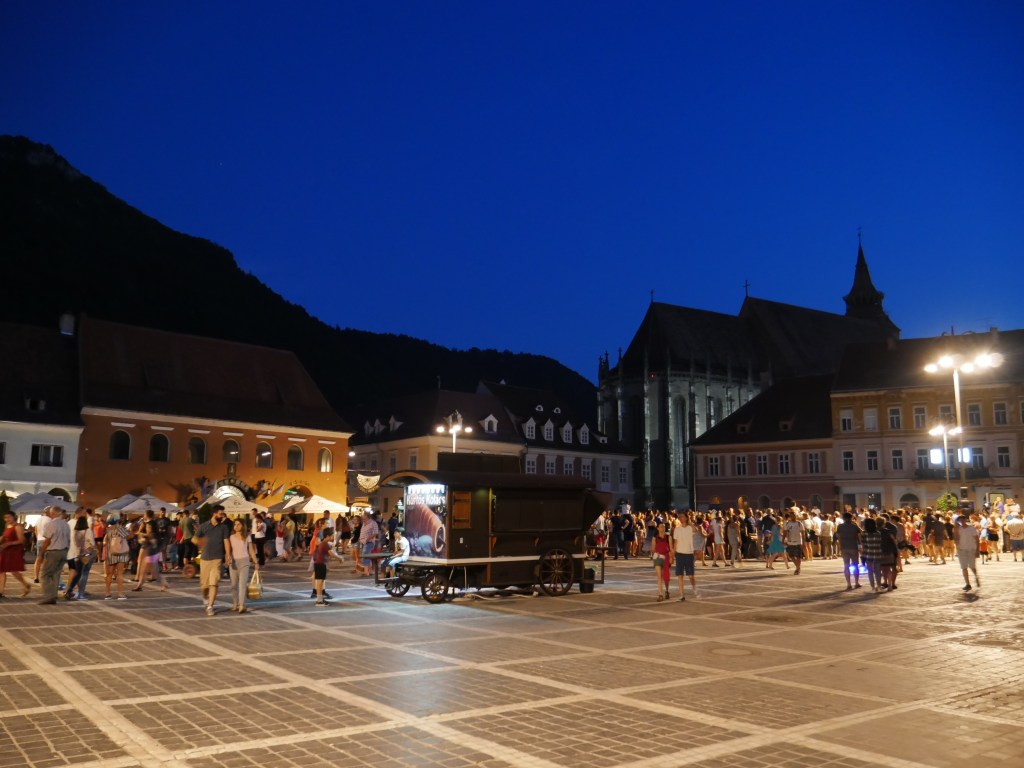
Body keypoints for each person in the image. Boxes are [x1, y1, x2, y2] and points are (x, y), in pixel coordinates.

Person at [196, 506, 231, 615]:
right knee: (204, 585)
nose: (222, 516)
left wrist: (228, 555)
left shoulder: (224, 527)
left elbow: (226, 541)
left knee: (214, 583)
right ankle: (205, 597)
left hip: (217, 558)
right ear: (214, 513)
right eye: (221, 514)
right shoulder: (204, 526)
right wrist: (200, 543)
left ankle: (210, 606)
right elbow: (194, 538)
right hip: (205, 559)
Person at [36, 506, 70, 605]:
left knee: (45, 574)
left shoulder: (51, 524)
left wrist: (41, 553)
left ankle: (48, 596)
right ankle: (53, 595)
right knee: (56, 574)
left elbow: (47, 540)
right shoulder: (65, 524)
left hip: (54, 551)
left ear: (53, 513)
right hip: (64, 551)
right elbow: (68, 539)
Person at [227, 518, 258, 613]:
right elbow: (228, 551)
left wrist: (255, 562)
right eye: (235, 524)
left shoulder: (247, 537)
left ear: (243, 526)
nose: (236, 526)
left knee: (242, 584)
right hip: (234, 563)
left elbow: (251, 550)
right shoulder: (231, 537)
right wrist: (228, 558)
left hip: (244, 562)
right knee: (233, 585)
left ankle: (241, 605)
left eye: (238, 524)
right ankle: (235, 603)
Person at [64, 513, 97, 600]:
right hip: (85, 555)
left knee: (77, 574)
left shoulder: (75, 531)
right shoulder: (88, 531)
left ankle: (69, 590)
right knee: (83, 574)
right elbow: (92, 543)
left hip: (76, 554)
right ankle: (79, 593)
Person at [0, 510, 31, 598]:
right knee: (1, 570)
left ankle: (25, 584)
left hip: (14, 551)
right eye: (5, 517)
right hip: (6, 550)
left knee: (14, 571)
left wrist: (9, 544)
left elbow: (22, 540)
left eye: (9, 517)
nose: (7, 519)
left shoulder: (18, 527)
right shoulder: (8, 525)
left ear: (14, 517)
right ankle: (1, 591)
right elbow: (4, 536)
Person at [312, 527, 344, 606]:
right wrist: (339, 558)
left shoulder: (323, 543)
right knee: (320, 582)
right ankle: (319, 601)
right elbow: (331, 554)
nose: (333, 537)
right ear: (327, 536)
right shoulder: (324, 544)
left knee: (321, 582)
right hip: (320, 564)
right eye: (332, 535)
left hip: (320, 564)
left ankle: (320, 599)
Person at [103, 514, 132, 600]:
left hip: (111, 553)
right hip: (120, 553)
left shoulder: (108, 530)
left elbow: (105, 541)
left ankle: (107, 593)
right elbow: (128, 536)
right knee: (119, 574)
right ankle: (120, 593)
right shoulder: (120, 528)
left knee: (109, 574)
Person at [672, 511, 699, 601]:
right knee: (680, 575)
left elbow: (696, 530)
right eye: (679, 517)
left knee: (691, 576)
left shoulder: (690, 528)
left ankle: (694, 588)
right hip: (679, 554)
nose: (681, 518)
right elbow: (675, 542)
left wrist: (690, 523)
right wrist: (673, 553)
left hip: (689, 553)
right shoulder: (677, 529)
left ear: (686, 518)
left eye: (682, 517)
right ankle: (681, 595)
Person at [955, 515, 981, 591]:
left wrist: (977, 551)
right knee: (964, 567)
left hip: (971, 549)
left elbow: (977, 539)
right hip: (962, 550)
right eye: (960, 520)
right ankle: (967, 584)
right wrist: (955, 527)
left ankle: (976, 576)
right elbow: (956, 538)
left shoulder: (972, 528)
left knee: (972, 566)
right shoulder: (958, 529)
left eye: (963, 520)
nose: (962, 521)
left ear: (965, 520)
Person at [651, 523, 673, 600]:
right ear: (657, 528)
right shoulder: (655, 538)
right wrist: (655, 554)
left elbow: (671, 548)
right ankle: (660, 594)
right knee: (659, 576)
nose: (662, 528)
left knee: (665, 576)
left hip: (666, 557)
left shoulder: (668, 537)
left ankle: (667, 590)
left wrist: (671, 557)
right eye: (661, 527)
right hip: (658, 557)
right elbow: (653, 549)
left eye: (663, 527)